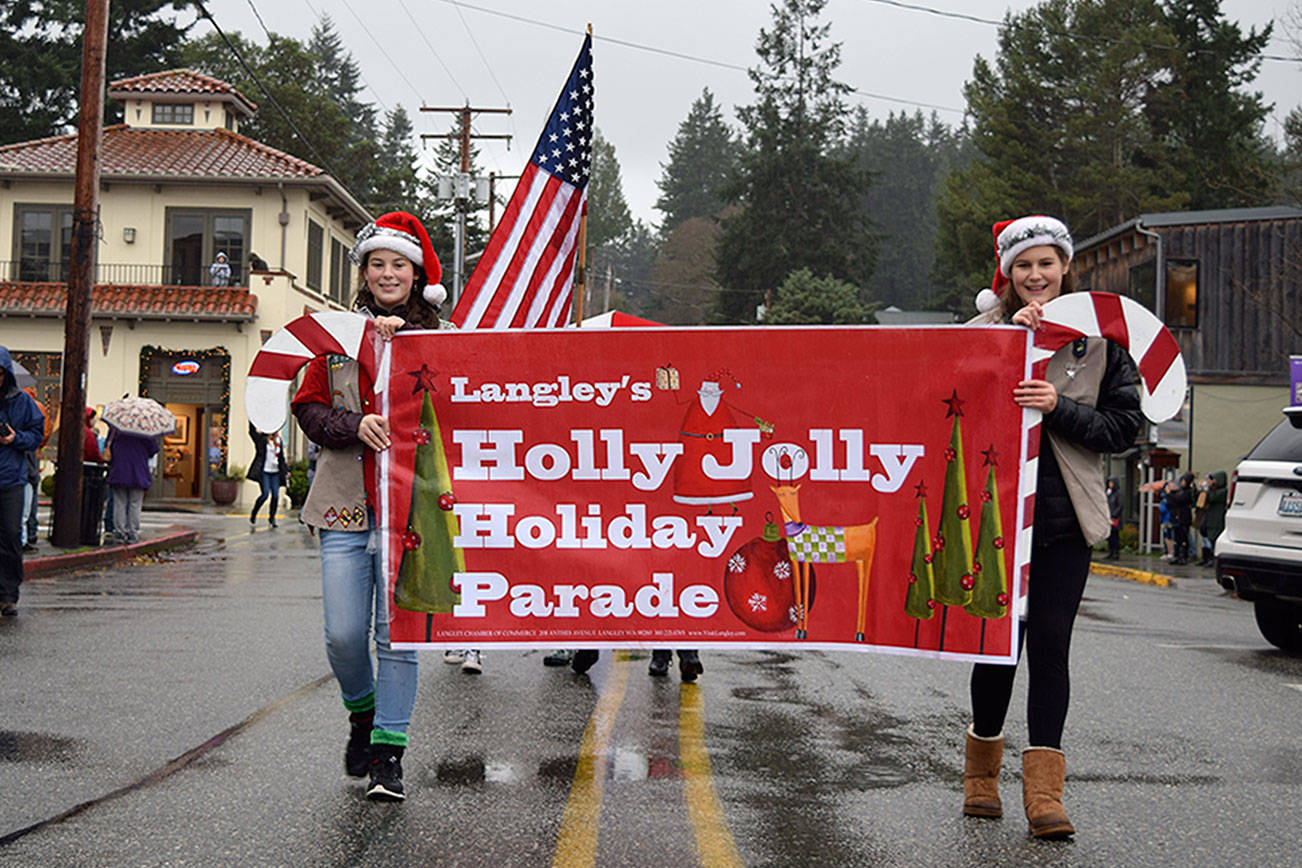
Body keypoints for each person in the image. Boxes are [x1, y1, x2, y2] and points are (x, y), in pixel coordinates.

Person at [963, 215, 1142, 838]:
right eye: (1023, 266)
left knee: (1050, 647)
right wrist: (1003, 349)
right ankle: (980, 779)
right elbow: (945, 409)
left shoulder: (1102, 340)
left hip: (1065, 519)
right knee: (996, 647)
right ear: (1007, 275)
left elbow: (1125, 428)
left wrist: (1057, 406)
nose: (1036, 276)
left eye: (1047, 263)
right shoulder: (981, 332)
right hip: (995, 519)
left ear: (1066, 266)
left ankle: (1044, 795)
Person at [292, 210, 449, 802]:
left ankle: (389, 754)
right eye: (377, 263)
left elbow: (467, 415)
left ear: (416, 276)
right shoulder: (331, 338)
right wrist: (355, 424)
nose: (388, 273)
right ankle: (362, 712)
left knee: (399, 634)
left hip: (413, 505)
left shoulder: (442, 342)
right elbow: (307, 407)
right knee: (343, 634)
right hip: (343, 502)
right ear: (364, 273)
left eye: (399, 265)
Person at [0, 347, 46, 616]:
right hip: (11, 475)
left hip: (10, 479)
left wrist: (14, 438)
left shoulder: (22, 401)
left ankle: (8, 595)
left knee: (10, 536)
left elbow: (36, 434)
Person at [105, 427, 159, 544]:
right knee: (135, 503)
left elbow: (108, 445)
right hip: (138, 471)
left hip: (119, 470)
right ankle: (132, 533)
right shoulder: (145, 429)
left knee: (119, 503)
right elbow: (153, 450)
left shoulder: (116, 428)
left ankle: (119, 532)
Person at [246, 423, 288, 528]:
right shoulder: (261, 440)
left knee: (275, 496)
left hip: (275, 472)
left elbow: (281, 458)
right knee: (264, 495)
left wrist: (286, 470)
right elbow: (251, 432)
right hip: (264, 472)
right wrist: (252, 420)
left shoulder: (278, 441)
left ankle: (272, 518)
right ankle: (254, 513)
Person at [1198, 472, 1228, 566]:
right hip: (1209, 518)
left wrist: (1207, 488)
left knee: (1214, 539)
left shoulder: (1223, 491)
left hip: (1217, 519)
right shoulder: (1213, 490)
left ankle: (1213, 559)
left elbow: (1211, 497)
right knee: (1207, 538)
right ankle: (1206, 558)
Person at [1166, 472, 1195, 565]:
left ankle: (1184, 556)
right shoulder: (1179, 491)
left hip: (1184, 517)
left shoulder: (1189, 492)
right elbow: (1171, 502)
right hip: (1176, 517)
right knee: (1177, 538)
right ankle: (1177, 556)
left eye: (1184, 480)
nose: (1182, 482)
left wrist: (1170, 494)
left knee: (1183, 538)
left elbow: (1180, 500)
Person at [1105, 478, 1122, 559]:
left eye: (1111, 483)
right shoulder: (1108, 492)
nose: (1110, 484)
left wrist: (1114, 514)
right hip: (1108, 517)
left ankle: (1116, 553)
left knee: (1115, 536)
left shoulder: (1118, 493)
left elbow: (1120, 505)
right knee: (1109, 536)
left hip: (1115, 518)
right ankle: (1110, 552)